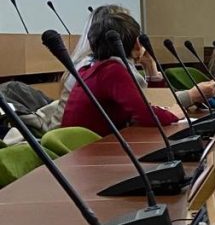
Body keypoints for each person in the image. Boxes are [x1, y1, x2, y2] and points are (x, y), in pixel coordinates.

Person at [57, 4, 215, 115]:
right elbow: (149, 109)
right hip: (83, 144)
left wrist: (151, 68)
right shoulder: (103, 68)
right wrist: (191, 96)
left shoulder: (99, 63)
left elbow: (150, 103)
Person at [61, 9, 190, 137]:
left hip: (81, 145)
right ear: (138, 43)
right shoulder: (112, 71)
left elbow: (151, 103)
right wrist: (173, 114)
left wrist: (151, 66)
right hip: (93, 146)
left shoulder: (93, 68)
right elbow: (145, 114)